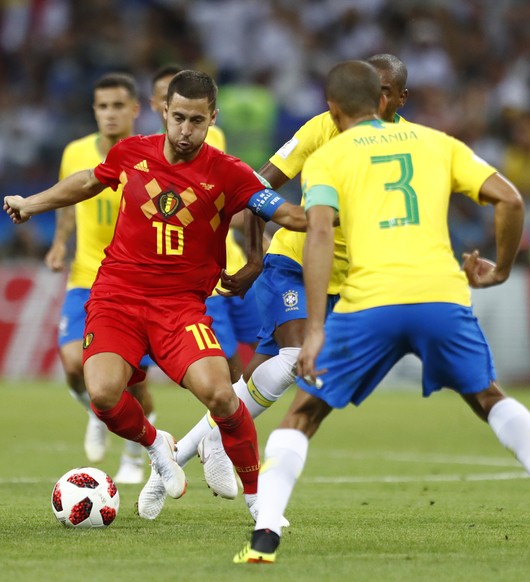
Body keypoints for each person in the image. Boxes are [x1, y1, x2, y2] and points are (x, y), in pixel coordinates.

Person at [233, 60, 530, 564]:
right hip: (441, 293)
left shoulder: (329, 157)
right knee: (488, 396)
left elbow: (321, 236)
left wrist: (314, 330)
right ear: (385, 99)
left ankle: (265, 537)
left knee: (304, 413)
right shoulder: (435, 142)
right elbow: (508, 199)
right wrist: (500, 269)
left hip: (369, 300)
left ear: (333, 107)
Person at [4, 70, 306, 513]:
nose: (185, 131)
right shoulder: (132, 153)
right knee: (104, 395)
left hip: (180, 308)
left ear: (212, 119)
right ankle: (156, 446)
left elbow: (282, 212)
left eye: (197, 122)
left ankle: (260, 504)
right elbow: (88, 181)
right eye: (178, 118)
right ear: (163, 111)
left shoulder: (229, 172)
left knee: (222, 394)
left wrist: (328, 219)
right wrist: (31, 203)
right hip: (116, 298)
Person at [136, 53, 409, 519]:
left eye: (384, 92)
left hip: (345, 279)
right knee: (296, 357)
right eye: (367, 89)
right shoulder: (320, 128)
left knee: (249, 387)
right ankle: (229, 461)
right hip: (293, 263)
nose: (372, 100)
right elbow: (256, 187)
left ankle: (174, 460)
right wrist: (258, 259)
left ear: (400, 99)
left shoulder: (405, 144)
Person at [44, 72, 156, 484]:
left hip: (133, 282)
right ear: (94, 111)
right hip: (86, 274)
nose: (109, 114)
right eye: (102, 106)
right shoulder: (75, 152)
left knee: (131, 382)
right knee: (74, 363)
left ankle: (133, 455)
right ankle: (96, 411)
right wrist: (59, 243)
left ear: (134, 110)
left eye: (117, 106)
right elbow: (68, 201)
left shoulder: (150, 153)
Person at [151, 63, 262, 383]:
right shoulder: (148, 160)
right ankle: (228, 428)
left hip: (235, 268)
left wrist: (263, 241)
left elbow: (229, 203)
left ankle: (239, 421)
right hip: (200, 285)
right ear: (162, 107)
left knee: (277, 347)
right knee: (225, 370)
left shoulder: (216, 138)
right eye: (171, 103)